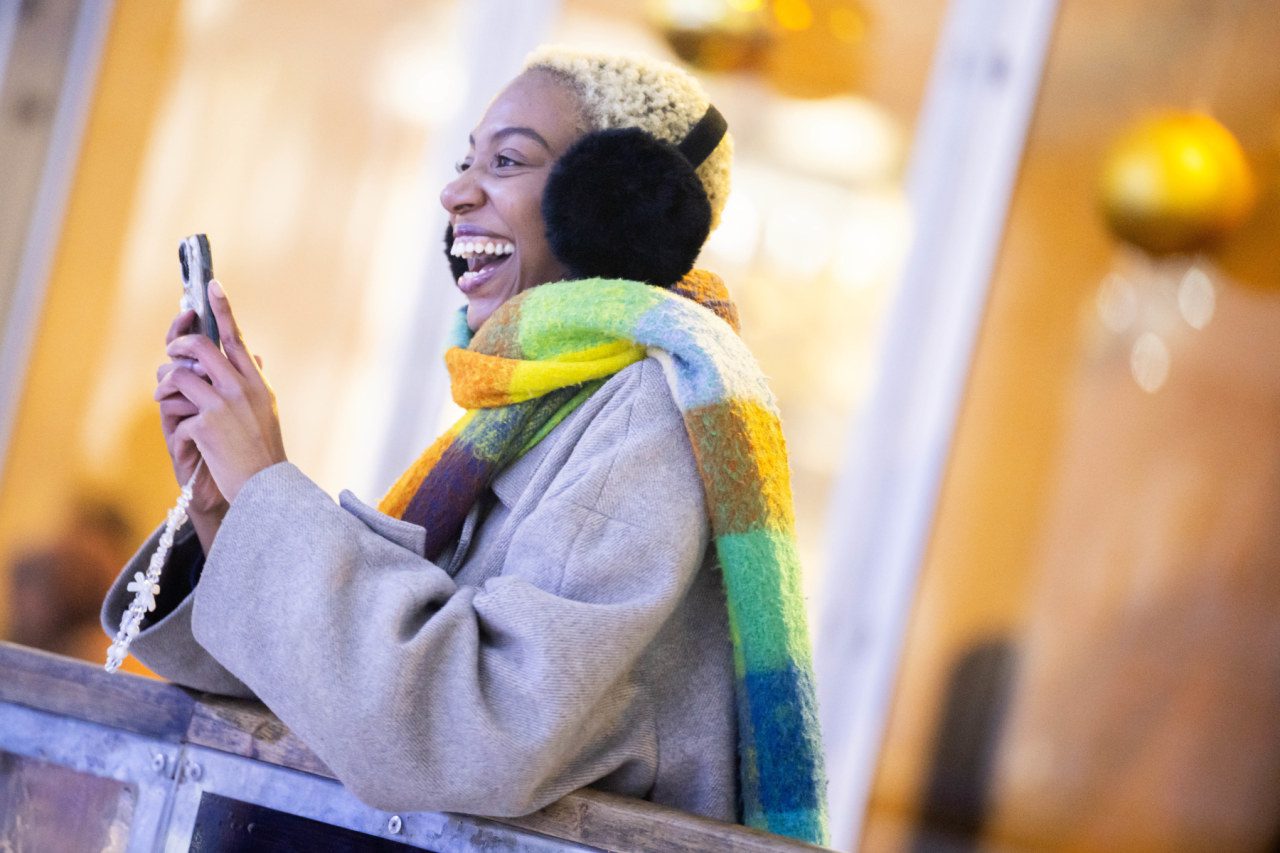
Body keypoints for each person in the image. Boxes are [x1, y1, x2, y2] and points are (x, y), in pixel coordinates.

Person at [102, 46, 827, 844]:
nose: (455, 191)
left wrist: (266, 484)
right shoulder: (537, 405)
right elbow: (336, 704)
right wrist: (224, 511)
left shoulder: (647, 410)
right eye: (464, 161)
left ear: (611, 203)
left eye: (508, 159)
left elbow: (469, 730)